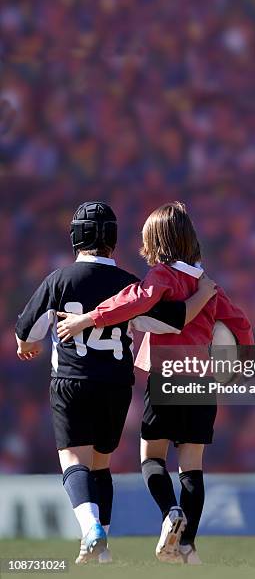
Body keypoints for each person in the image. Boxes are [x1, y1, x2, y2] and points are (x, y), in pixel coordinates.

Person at [15, 201, 217, 565]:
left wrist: (26, 344)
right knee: (101, 464)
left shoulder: (58, 280)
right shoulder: (130, 283)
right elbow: (173, 322)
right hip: (116, 385)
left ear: (75, 237)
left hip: (71, 380)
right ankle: (104, 546)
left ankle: (91, 530)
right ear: (114, 240)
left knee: (73, 458)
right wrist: (202, 294)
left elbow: (26, 330)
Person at [57, 201, 254, 565]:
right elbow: (240, 323)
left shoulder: (162, 277)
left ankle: (170, 513)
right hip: (202, 383)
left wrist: (87, 320)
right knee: (192, 466)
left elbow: (132, 301)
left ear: (156, 242)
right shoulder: (209, 285)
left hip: (166, 378)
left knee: (151, 458)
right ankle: (188, 546)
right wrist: (239, 362)